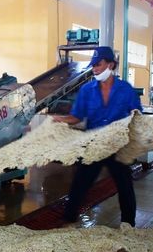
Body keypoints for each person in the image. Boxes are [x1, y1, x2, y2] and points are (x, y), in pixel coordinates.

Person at [53, 46, 143, 227]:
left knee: (125, 185)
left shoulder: (125, 90)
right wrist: (59, 119)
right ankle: (68, 219)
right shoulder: (87, 90)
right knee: (80, 184)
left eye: (99, 64)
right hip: (94, 144)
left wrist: (136, 139)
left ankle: (128, 224)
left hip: (118, 146)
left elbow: (136, 116)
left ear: (111, 65)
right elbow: (77, 116)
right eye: (93, 65)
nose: (95, 69)